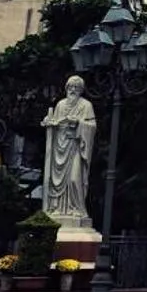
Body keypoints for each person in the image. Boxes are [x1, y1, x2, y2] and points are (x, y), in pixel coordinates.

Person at [40, 75, 98, 228]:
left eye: (76, 88)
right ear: (66, 88)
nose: (73, 90)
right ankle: (57, 208)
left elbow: (92, 126)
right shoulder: (60, 105)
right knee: (55, 181)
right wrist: (49, 122)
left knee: (74, 178)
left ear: (81, 90)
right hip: (60, 146)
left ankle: (77, 209)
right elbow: (55, 122)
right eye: (70, 87)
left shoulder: (86, 106)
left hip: (75, 146)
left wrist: (78, 122)